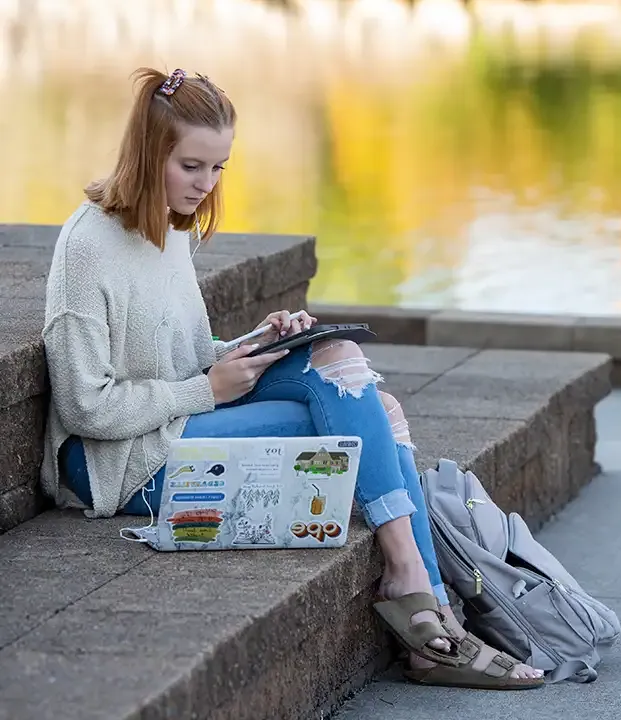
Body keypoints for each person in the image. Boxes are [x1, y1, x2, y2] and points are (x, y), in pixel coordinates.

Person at [40, 67, 543, 690]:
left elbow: (191, 355)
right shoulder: (87, 247)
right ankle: (424, 600)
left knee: (334, 358)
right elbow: (86, 406)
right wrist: (208, 390)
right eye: (191, 166)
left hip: (171, 420)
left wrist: (258, 342)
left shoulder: (166, 229)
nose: (206, 184)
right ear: (147, 153)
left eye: (219, 167)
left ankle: (419, 594)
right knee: (366, 417)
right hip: (116, 463)